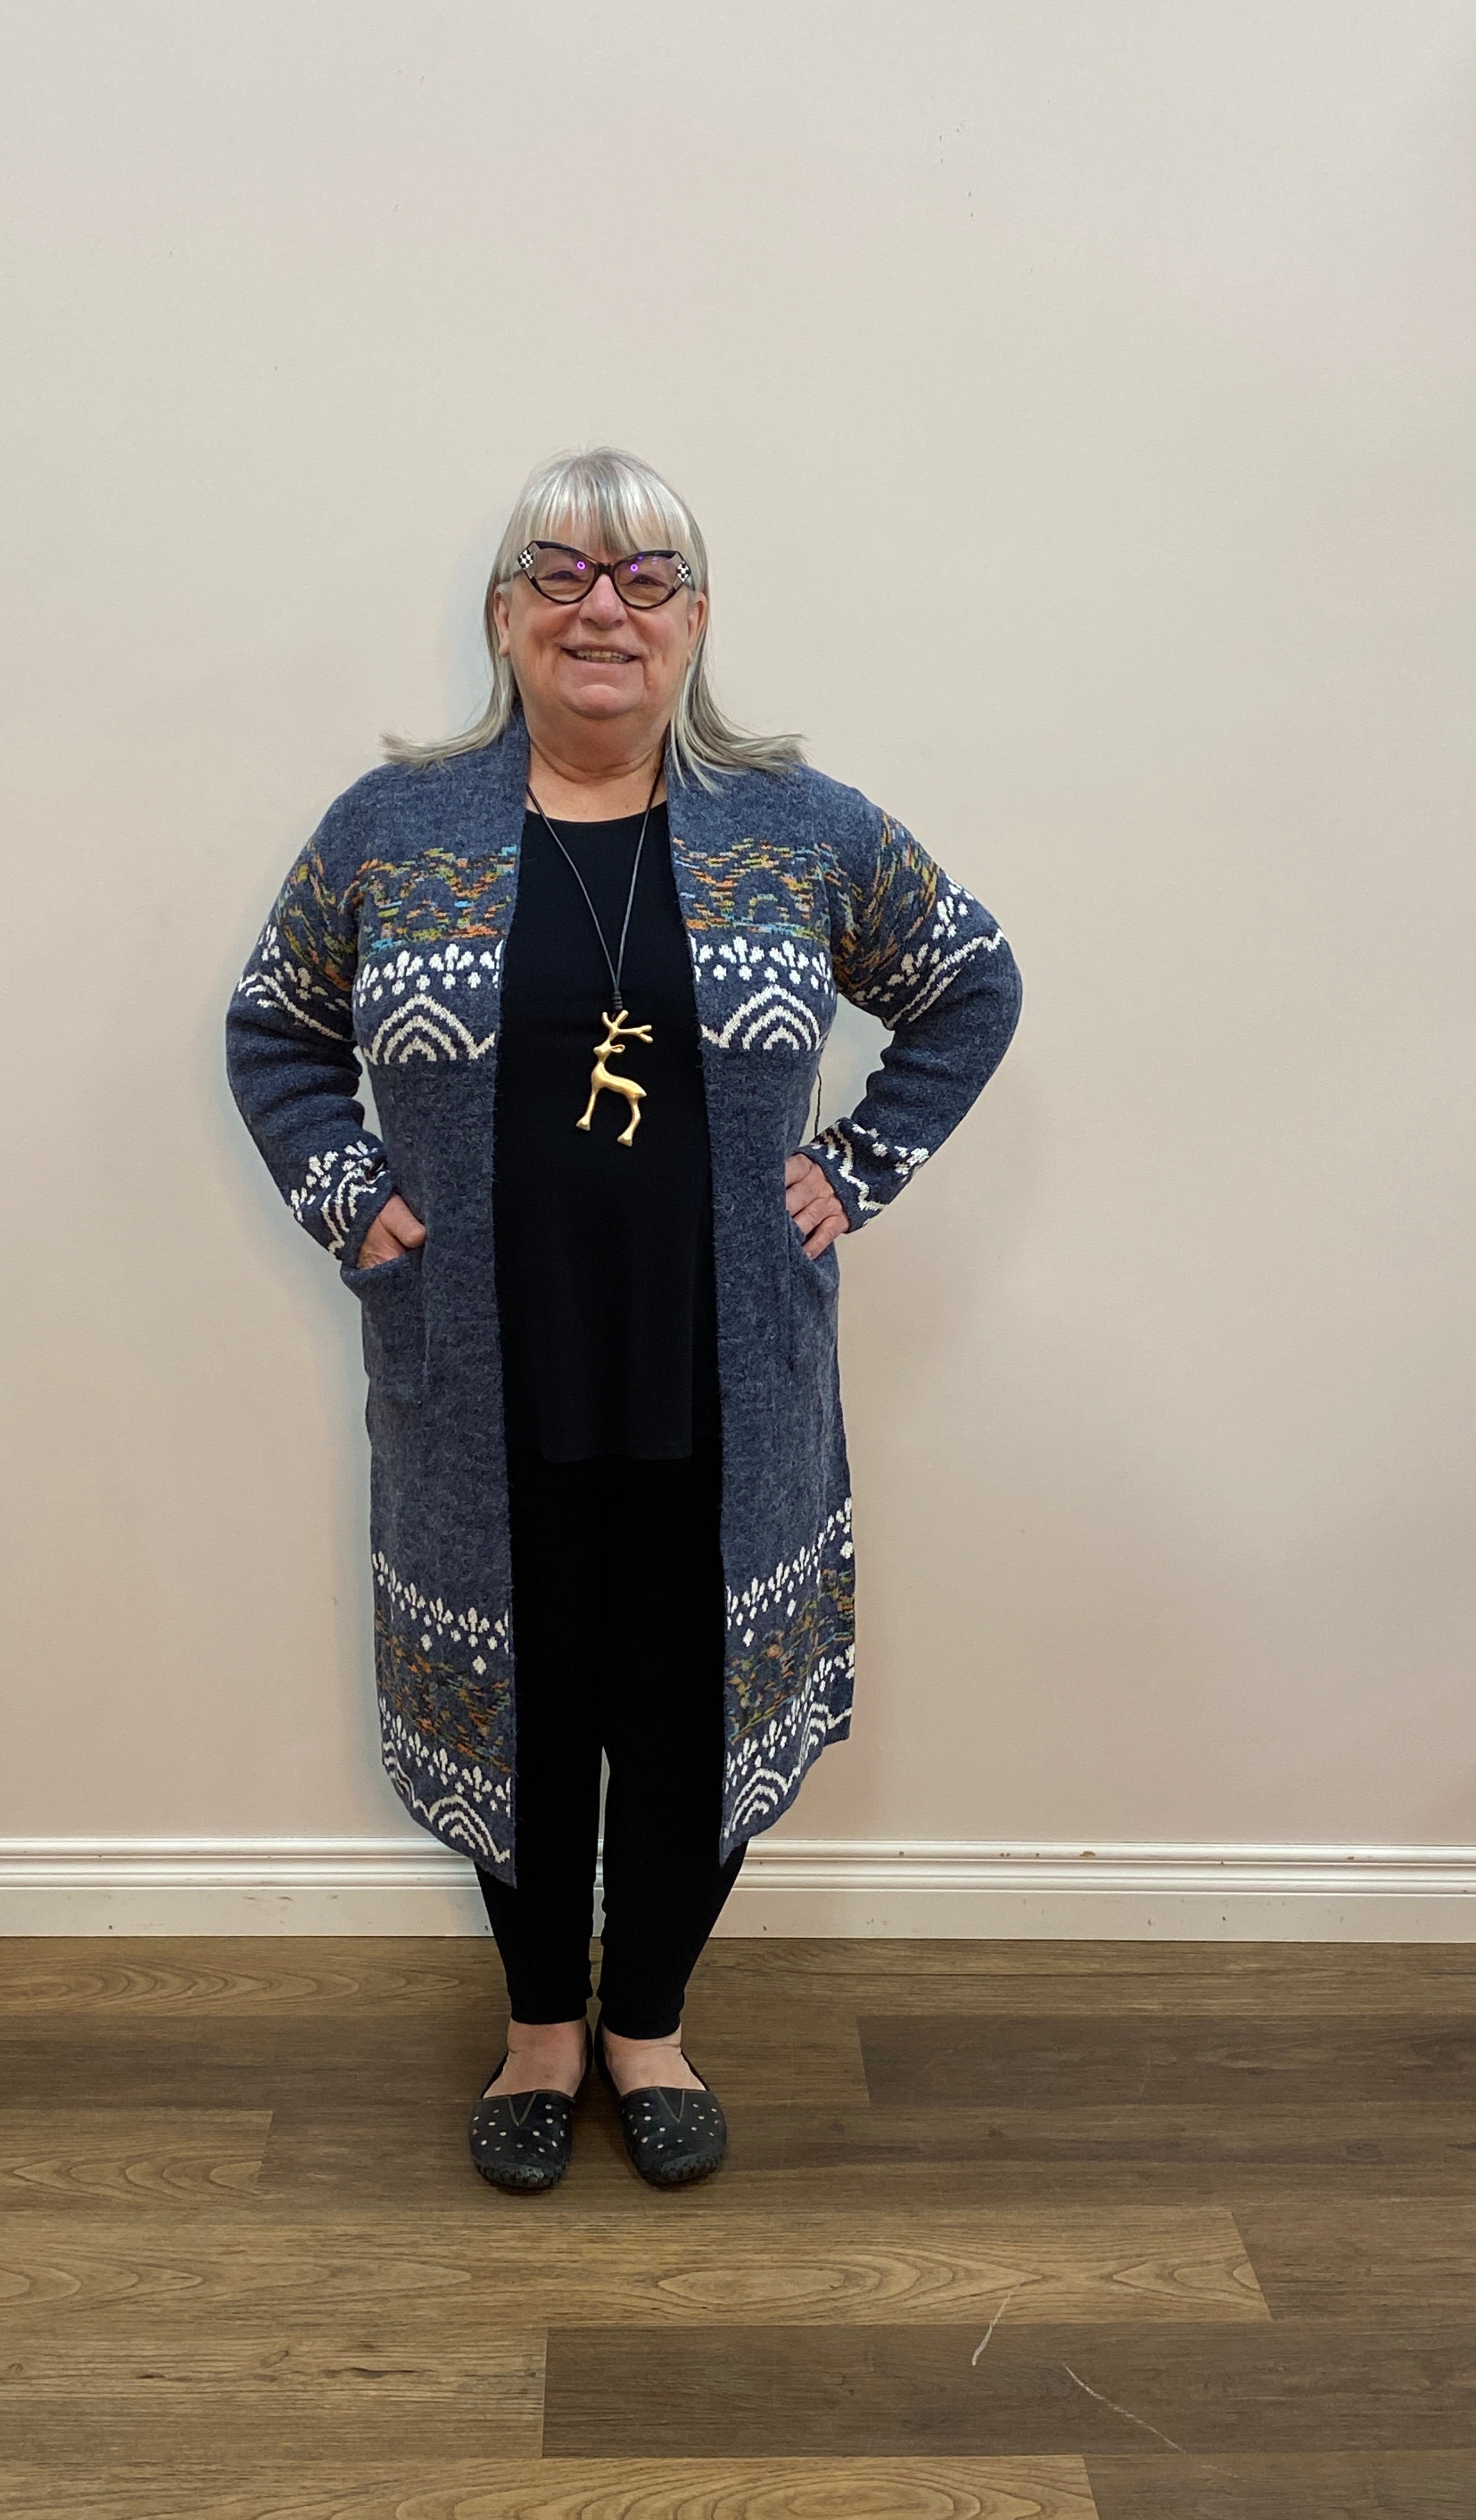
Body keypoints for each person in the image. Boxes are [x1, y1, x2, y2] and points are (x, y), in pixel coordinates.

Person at [226, 447, 1022, 2191]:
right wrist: (355, 1202)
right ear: (505, 616)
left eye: (645, 579)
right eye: (563, 575)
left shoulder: (802, 828)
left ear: (696, 623)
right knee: (521, 1702)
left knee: (684, 1702)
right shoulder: (393, 830)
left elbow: (969, 980)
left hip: (722, 1376)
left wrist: (861, 1164)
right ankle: (537, 2035)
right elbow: (275, 1028)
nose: (606, 607)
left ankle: (647, 2022)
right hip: (479, 1377)